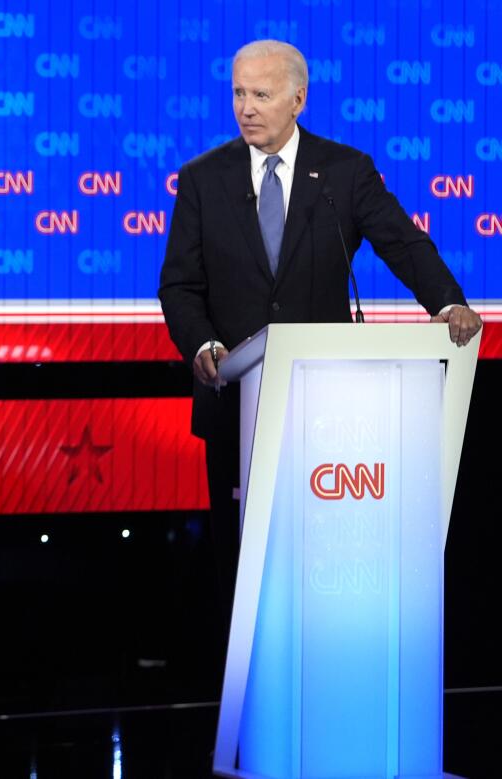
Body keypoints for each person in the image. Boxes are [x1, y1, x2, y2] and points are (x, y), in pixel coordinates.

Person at [158, 39, 482, 614]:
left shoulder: (343, 173)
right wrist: (204, 344)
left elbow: (403, 245)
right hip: (237, 406)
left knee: (319, 567)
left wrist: (447, 304)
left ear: (298, 98)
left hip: (328, 411)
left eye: (261, 94)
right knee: (242, 575)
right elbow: (179, 287)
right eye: (238, 92)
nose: (246, 107)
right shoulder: (203, 180)